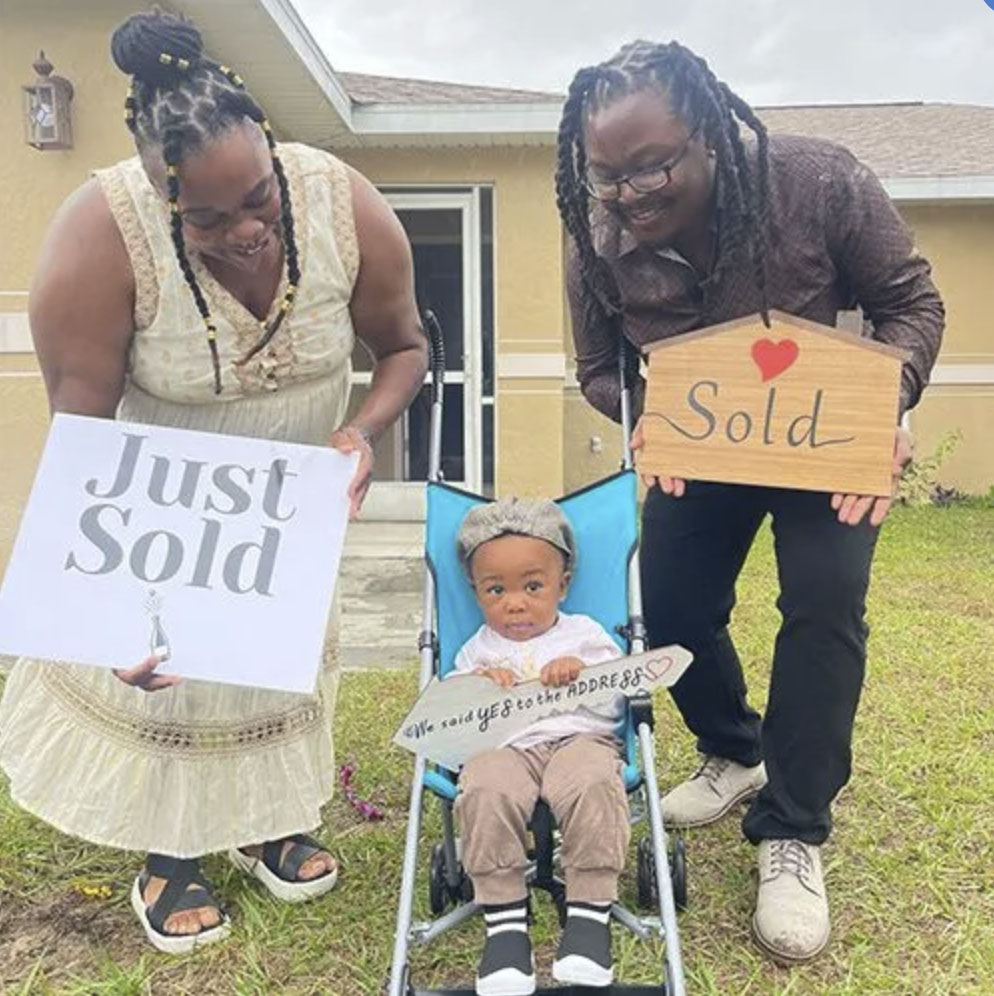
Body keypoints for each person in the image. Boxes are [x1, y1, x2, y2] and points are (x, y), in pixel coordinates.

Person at [0, 10, 427, 953]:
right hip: (168, 503)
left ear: (273, 155)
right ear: (160, 196)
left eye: (258, 200)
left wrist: (360, 434)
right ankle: (173, 857)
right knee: (178, 677)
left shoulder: (341, 199)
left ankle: (270, 824)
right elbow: (84, 430)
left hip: (294, 500)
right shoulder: (97, 231)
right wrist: (100, 605)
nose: (241, 231)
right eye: (204, 217)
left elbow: (403, 346)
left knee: (273, 667)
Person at [555, 39, 944, 963]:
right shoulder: (592, 229)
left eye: (652, 165)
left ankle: (792, 831)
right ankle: (736, 751)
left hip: (825, 442)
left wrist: (886, 406)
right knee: (676, 610)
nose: (630, 194)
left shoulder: (818, 183)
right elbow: (599, 365)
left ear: (714, 137)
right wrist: (645, 417)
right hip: (702, 449)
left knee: (822, 607)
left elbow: (912, 306)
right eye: (608, 176)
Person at [451, 497, 629, 995]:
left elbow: (617, 703)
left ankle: (589, 915)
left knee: (594, 783)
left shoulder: (584, 635)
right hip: (506, 749)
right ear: (477, 592)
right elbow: (454, 717)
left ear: (562, 584)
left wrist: (581, 676)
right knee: (485, 786)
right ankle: (505, 922)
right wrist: (479, 686)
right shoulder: (478, 649)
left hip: (579, 738)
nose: (515, 603)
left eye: (533, 587)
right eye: (496, 590)